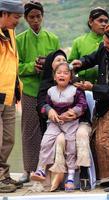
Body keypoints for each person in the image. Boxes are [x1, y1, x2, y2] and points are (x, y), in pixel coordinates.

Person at [71, 22, 109, 192]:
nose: (105, 45)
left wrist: (93, 88)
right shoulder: (104, 46)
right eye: (104, 41)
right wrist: (81, 63)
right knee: (96, 138)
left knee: (104, 139)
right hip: (104, 99)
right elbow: (92, 58)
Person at [16, 1, 60, 184]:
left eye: (38, 16)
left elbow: (59, 62)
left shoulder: (53, 38)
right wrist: (31, 67)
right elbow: (16, 67)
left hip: (50, 91)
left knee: (51, 130)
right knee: (29, 132)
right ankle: (29, 170)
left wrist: (49, 67)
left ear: (43, 16)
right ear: (26, 19)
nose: (36, 20)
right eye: (32, 17)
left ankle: (50, 169)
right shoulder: (19, 40)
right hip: (29, 91)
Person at [37, 50, 92, 192]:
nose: (62, 66)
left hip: (74, 123)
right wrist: (49, 110)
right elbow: (42, 105)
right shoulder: (48, 89)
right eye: (58, 61)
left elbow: (83, 105)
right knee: (50, 141)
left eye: (64, 61)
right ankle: (43, 171)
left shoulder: (75, 87)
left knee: (76, 141)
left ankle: (78, 174)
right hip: (55, 124)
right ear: (53, 71)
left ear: (70, 74)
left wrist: (74, 113)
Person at [68, 7, 109, 187]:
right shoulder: (79, 41)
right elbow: (72, 66)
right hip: (84, 93)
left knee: (106, 133)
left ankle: (107, 172)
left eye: (106, 21)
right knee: (86, 131)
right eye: (100, 20)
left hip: (106, 93)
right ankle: (89, 171)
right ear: (90, 22)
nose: (104, 24)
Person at [0, 0, 24, 193]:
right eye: (16, 17)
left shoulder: (10, 33)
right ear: (4, 14)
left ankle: (3, 175)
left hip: (9, 94)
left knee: (8, 139)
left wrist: (17, 88)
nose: (18, 21)